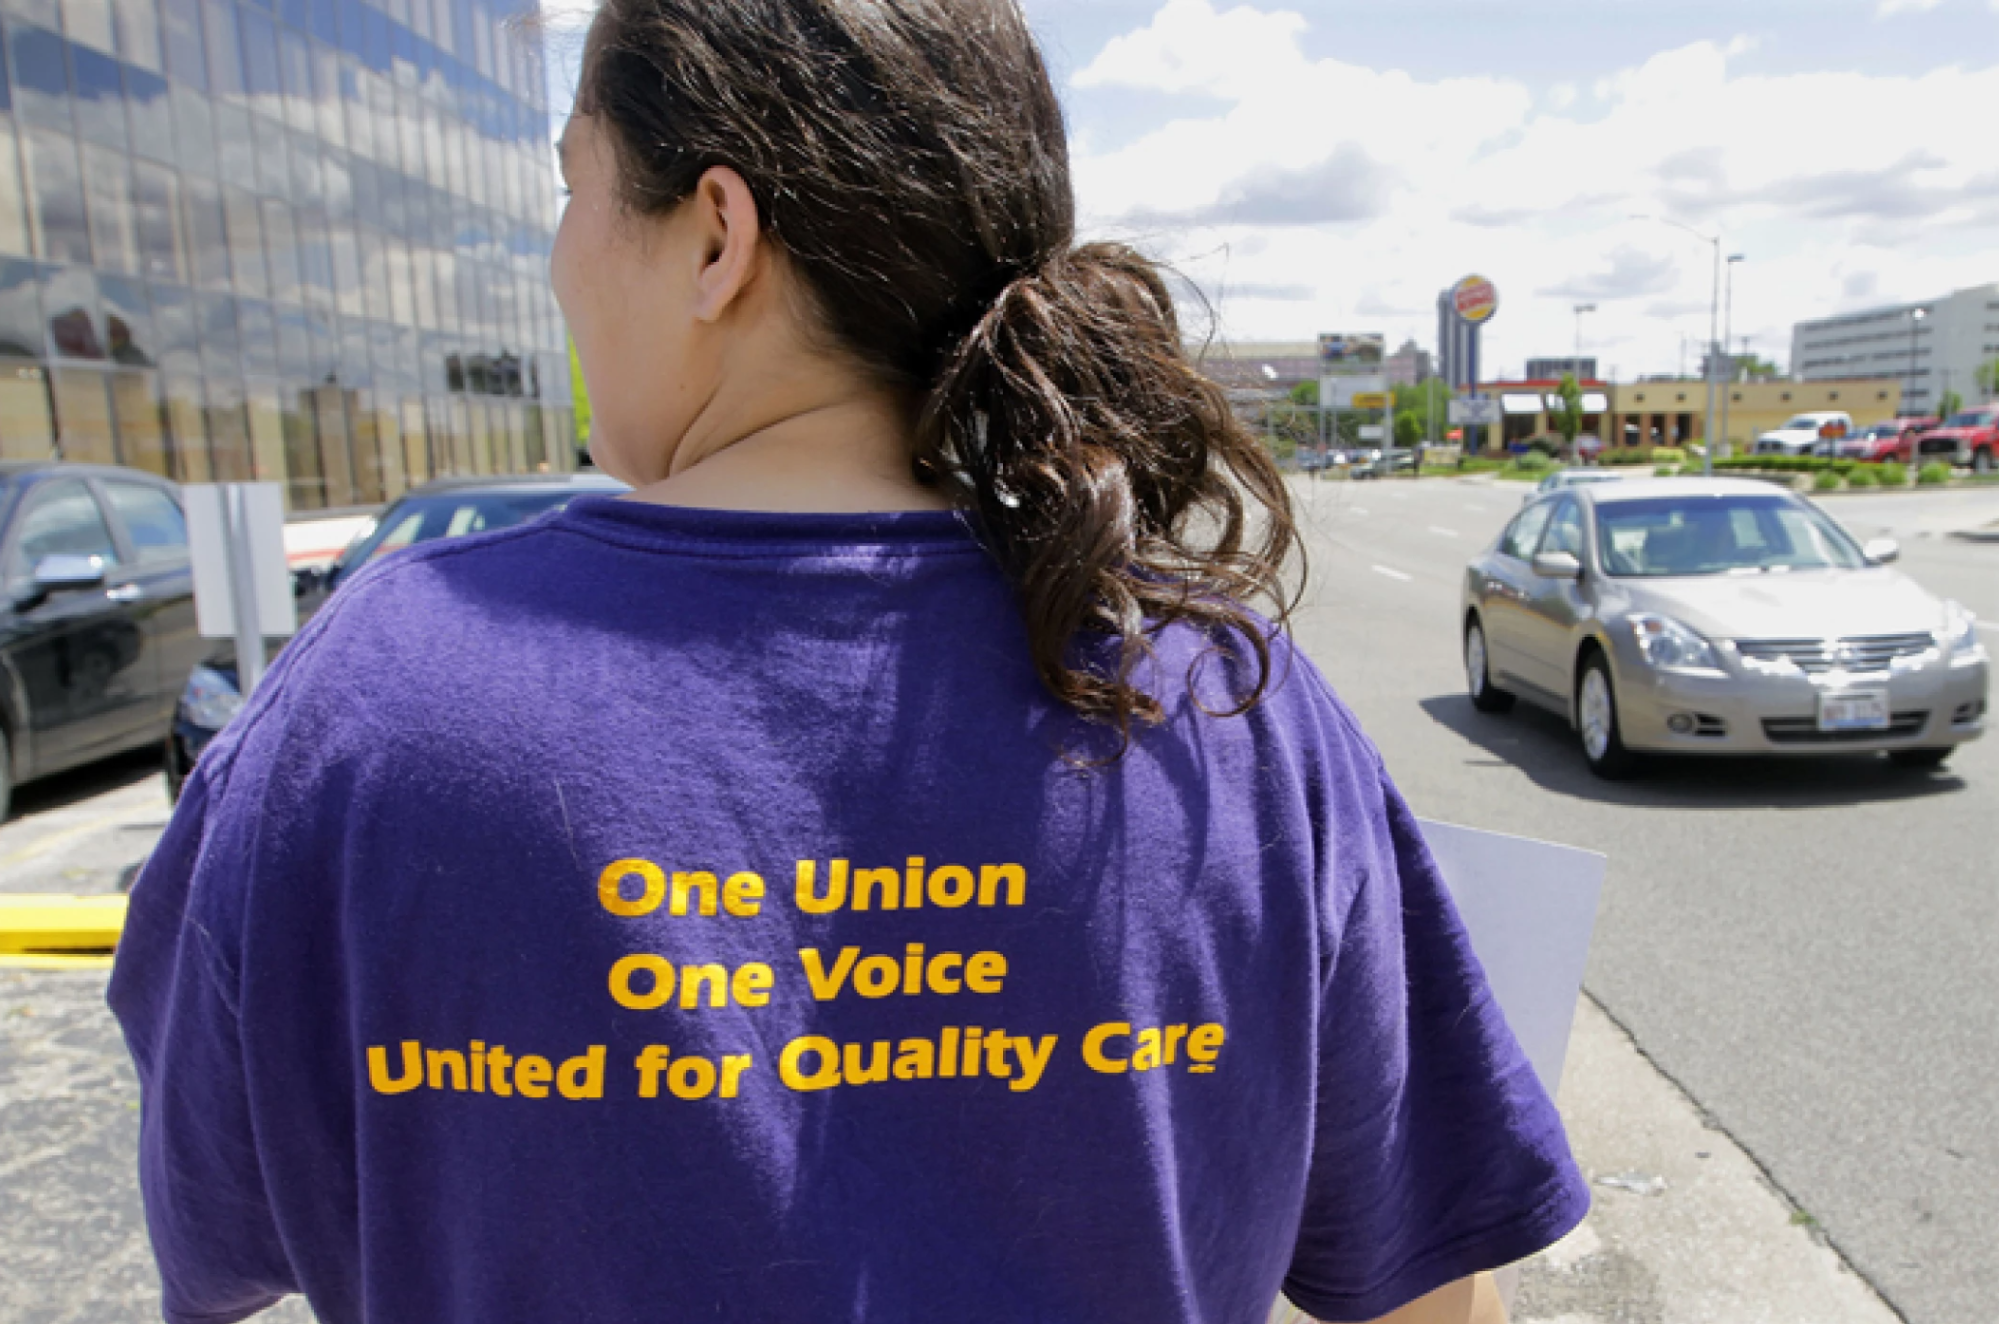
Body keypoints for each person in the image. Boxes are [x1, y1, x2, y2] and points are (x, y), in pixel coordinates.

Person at [109, 3, 1588, 1321]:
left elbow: (228, 1243)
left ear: (714, 235)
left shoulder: (366, 704)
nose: (555, 257)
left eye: (570, 189)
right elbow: (1423, 1295)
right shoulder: (1223, 701)